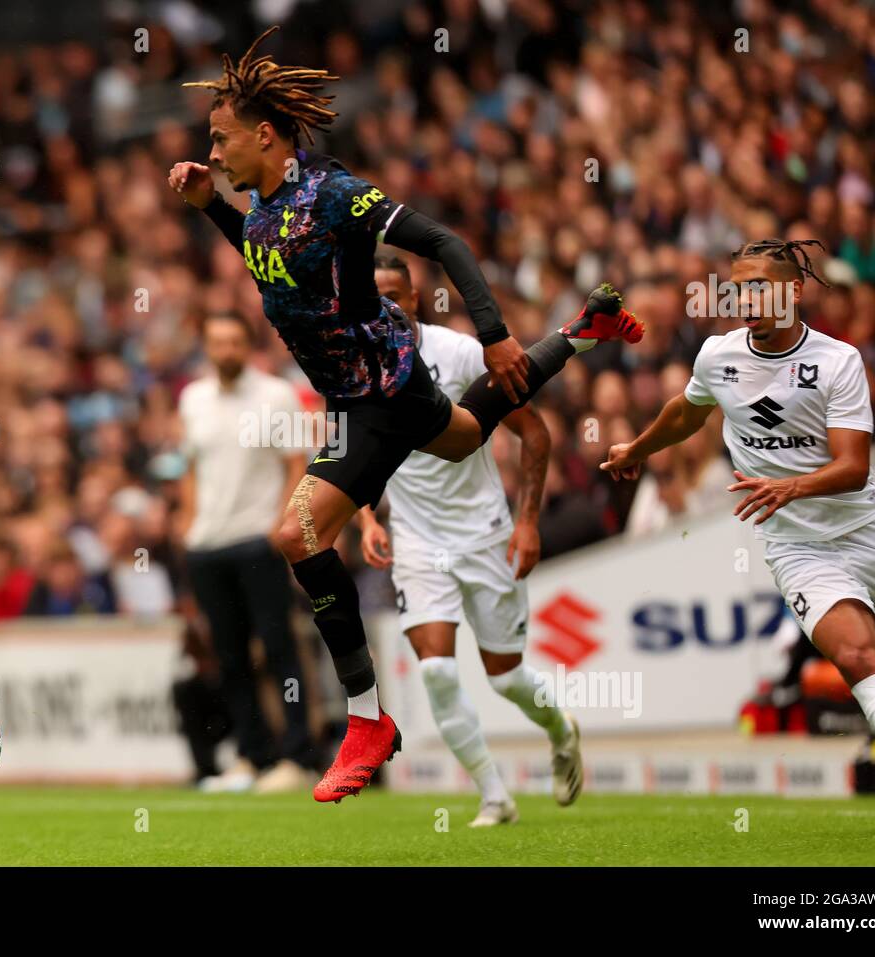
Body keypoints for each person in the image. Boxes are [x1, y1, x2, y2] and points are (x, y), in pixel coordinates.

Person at [169, 26, 642, 803]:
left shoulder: (334, 193)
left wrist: (492, 334)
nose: (211, 152)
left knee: (297, 532)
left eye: (219, 140)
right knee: (461, 437)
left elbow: (445, 242)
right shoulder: (258, 207)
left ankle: (366, 721)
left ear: (264, 134)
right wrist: (209, 208)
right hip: (362, 399)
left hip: (384, 389)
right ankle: (583, 332)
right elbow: (266, 258)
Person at [602, 239, 875, 816]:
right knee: (859, 658)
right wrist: (637, 447)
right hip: (797, 545)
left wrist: (789, 486)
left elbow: (854, 467)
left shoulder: (838, 361)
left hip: (868, 529)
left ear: (793, 291)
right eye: (738, 287)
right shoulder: (718, 356)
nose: (746, 298)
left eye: (759, 285)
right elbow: (688, 411)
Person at [355, 255, 581, 827]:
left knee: (505, 677)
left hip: (483, 532)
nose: (384, 303)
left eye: (393, 293)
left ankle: (560, 727)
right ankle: (493, 795)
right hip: (416, 538)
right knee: (435, 670)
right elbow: (352, 449)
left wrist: (527, 520)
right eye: (371, 293)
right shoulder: (353, 365)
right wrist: (367, 518)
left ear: (412, 297)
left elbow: (534, 433)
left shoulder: (456, 353)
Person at [179, 312, 318, 792]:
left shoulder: (275, 395)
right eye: (217, 342)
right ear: (207, 347)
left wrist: (279, 529)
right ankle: (252, 756)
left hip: (256, 539)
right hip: (207, 544)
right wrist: (188, 525)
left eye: (235, 342)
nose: (226, 350)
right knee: (229, 657)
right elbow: (192, 468)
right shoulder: (192, 398)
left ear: (248, 346)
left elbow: (296, 466)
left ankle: (298, 758)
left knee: (279, 651)